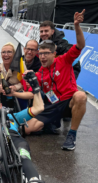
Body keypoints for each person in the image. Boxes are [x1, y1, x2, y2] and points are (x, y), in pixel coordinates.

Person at [26, 10, 87, 151]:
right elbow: (31, 92)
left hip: (67, 93)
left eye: (46, 54)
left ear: (54, 53)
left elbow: (80, 45)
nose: (42, 57)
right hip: (53, 102)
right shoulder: (40, 71)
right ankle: (52, 122)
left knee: (80, 96)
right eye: (40, 54)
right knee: (28, 129)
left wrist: (77, 26)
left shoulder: (63, 55)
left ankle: (72, 133)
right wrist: (15, 91)